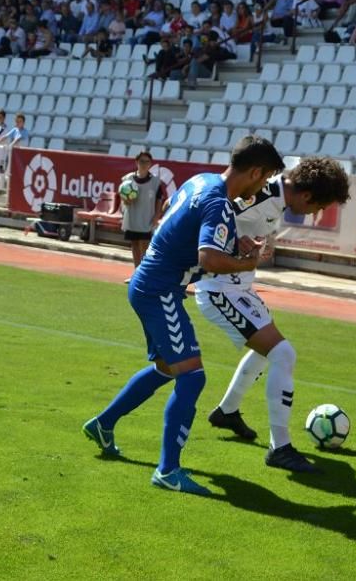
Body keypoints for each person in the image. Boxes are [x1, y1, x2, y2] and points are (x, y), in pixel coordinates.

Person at [83, 136, 285, 496]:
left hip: (149, 283)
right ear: (254, 171)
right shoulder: (220, 204)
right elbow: (208, 259)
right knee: (192, 377)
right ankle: (168, 470)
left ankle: (104, 424)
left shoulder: (201, 181)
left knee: (167, 367)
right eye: (265, 178)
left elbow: (181, 229)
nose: (263, 187)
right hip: (160, 290)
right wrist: (248, 262)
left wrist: (233, 246)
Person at [197, 157, 351, 473]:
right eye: (319, 207)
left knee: (268, 352)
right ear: (307, 196)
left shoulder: (274, 198)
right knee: (283, 353)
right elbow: (201, 215)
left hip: (240, 289)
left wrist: (259, 242)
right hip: (218, 290)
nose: (316, 214)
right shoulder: (258, 194)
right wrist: (231, 245)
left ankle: (227, 411)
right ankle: (280, 447)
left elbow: (246, 225)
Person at [120, 151, 167, 276]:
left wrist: (157, 216)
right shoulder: (127, 179)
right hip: (131, 218)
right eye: (141, 161)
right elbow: (122, 197)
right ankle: (136, 273)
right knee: (134, 246)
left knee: (144, 247)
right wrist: (126, 201)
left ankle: (144, 275)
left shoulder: (155, 182)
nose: (144, 164)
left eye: (147, 162)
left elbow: (159, 200)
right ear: (136, 162)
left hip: (147, 219)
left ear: (150, 164)